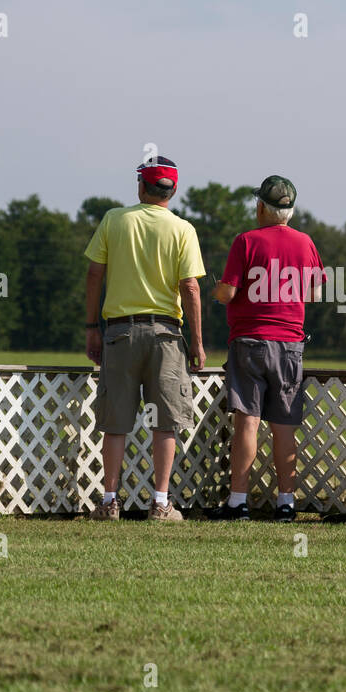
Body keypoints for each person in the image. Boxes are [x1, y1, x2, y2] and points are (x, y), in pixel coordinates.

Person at [83, 155, 206, 521]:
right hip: (167, 334)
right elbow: (190, 288)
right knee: (165, 420)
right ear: (174, 190)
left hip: (119, 331)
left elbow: (94, 275)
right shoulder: (183, 229)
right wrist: (197, 342)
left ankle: (108, 502)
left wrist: (92, 327)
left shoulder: (114, 220)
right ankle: (161, 502)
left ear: (141, 187)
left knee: (116, 420)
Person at [209, 176, 323, 522]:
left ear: (261, 207)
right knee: (284, 425)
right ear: (290, 211)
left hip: (249, 342)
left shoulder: (246, 241)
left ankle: (238, 502)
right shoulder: (305, 243)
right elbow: (316, 294)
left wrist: (217, 290)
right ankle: (286, 503)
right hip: (289, 344)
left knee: (248, 422)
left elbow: (228, 293)